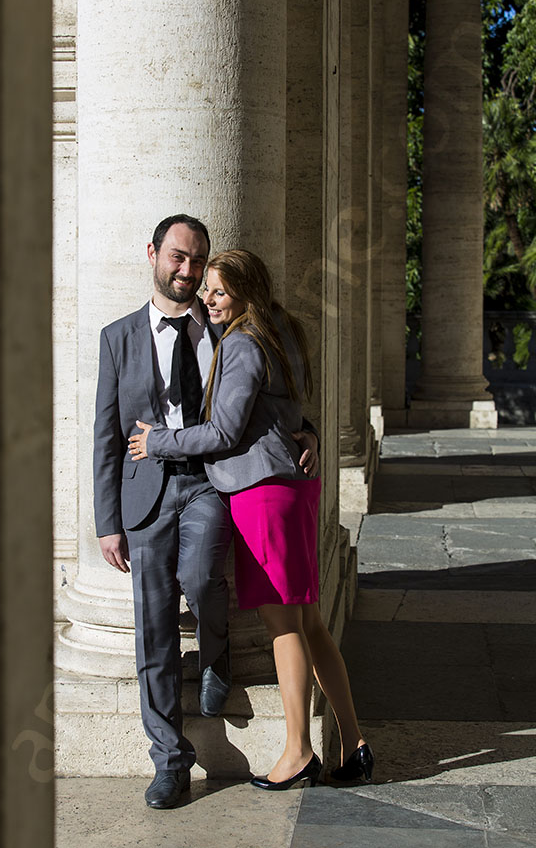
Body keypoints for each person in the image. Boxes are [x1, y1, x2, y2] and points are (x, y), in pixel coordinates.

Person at [93, 216, 319, 810]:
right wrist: (106, 521)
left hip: (208, 485)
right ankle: (169, 760)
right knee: (154, 625)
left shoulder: (224, 326)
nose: (188, 272)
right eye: (178, 258)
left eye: (197, 261)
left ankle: (216, 653)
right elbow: (106, 436)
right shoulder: (117, 337)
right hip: (144, 494)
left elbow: (269, 394)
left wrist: (307, 431)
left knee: (201, 578)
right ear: (153, 255)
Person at [128, 248, 374, 791]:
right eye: (207, 289)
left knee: (283, 626)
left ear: (245, 291)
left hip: (261, 495)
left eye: (219, 290)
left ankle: (297, 752)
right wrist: (306, 432)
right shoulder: (283, 328)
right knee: (309, 623)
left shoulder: (241, 341)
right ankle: (354, 744)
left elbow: (222, 433)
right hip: (293, 488)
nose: (208, 299)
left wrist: (156, 441)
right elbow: (283, 410)